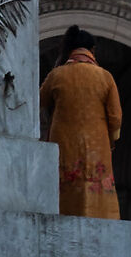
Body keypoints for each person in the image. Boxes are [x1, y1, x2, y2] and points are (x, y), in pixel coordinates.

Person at [40, 27, 124, 219]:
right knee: (97, 196)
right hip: (97, 148)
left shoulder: (57, 75)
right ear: (91, 50)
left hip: (63, 145)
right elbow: (116, 117)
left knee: (65, 194)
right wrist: (111, 139)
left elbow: (38, 102)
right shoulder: (105, 77)